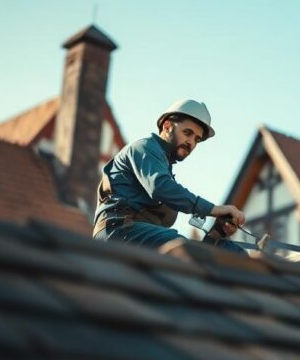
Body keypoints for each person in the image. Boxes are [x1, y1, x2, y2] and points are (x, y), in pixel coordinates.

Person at [93, 99, 246, 253]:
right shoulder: (144, 148)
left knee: (225, 253)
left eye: (196, 139)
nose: (191, 143)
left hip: (134, 235)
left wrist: (216, 234)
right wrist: (214, 209)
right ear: (167, 126)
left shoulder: (164, 168)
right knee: (183, 249)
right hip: (117, 231)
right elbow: (161, 187)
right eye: (187, 133)